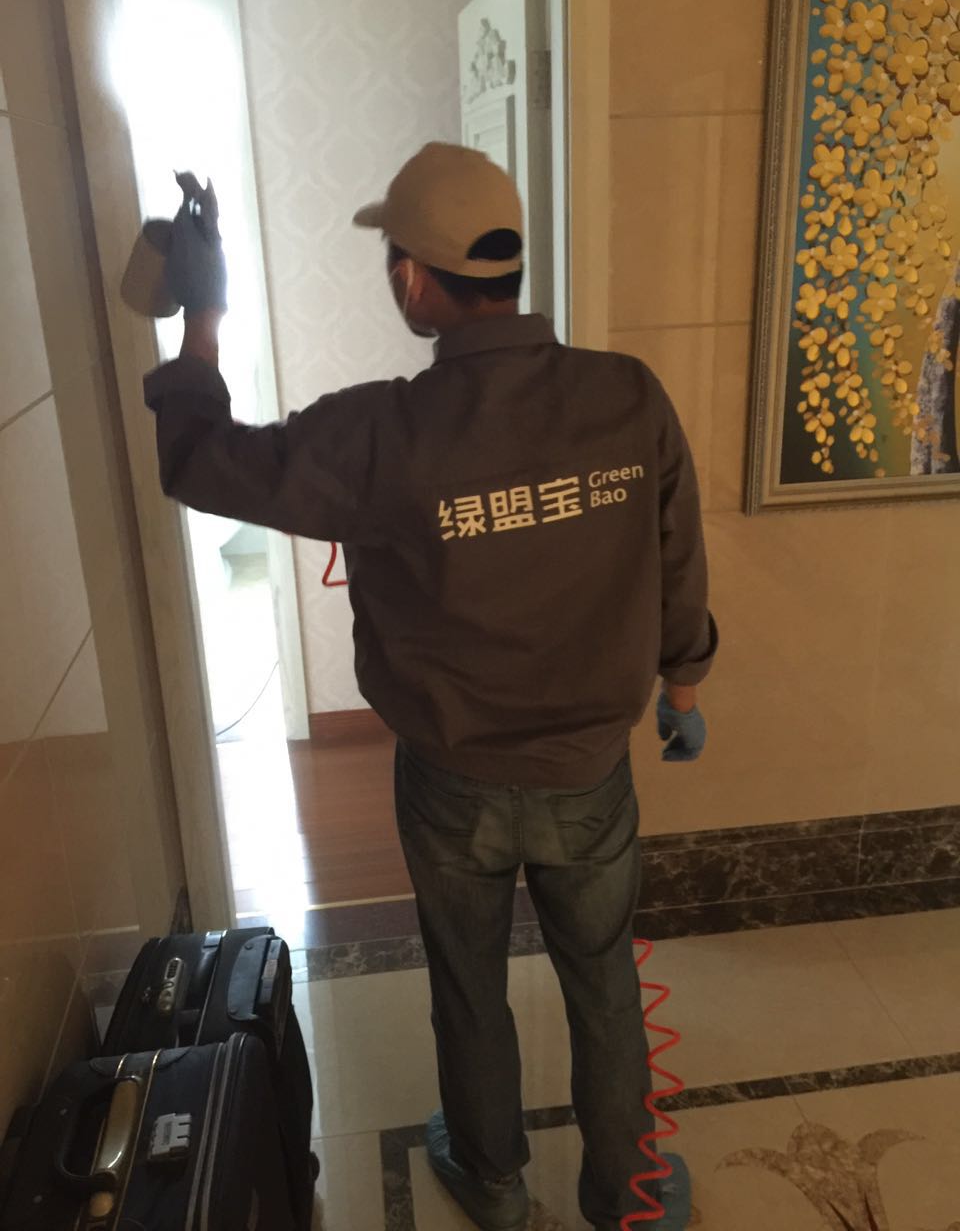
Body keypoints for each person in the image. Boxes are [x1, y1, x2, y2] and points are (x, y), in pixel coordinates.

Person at [143, 143, 717, 1231]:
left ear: (413, 278)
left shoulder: (378, 432)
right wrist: (683, 685)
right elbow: (677, 556)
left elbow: (204, 461)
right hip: (591, 774)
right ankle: (629, 1197)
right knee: (604, 983)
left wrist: (203, 317)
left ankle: (493, 1181)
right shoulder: (627, 395)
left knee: (468, 982)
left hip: (452, 781)